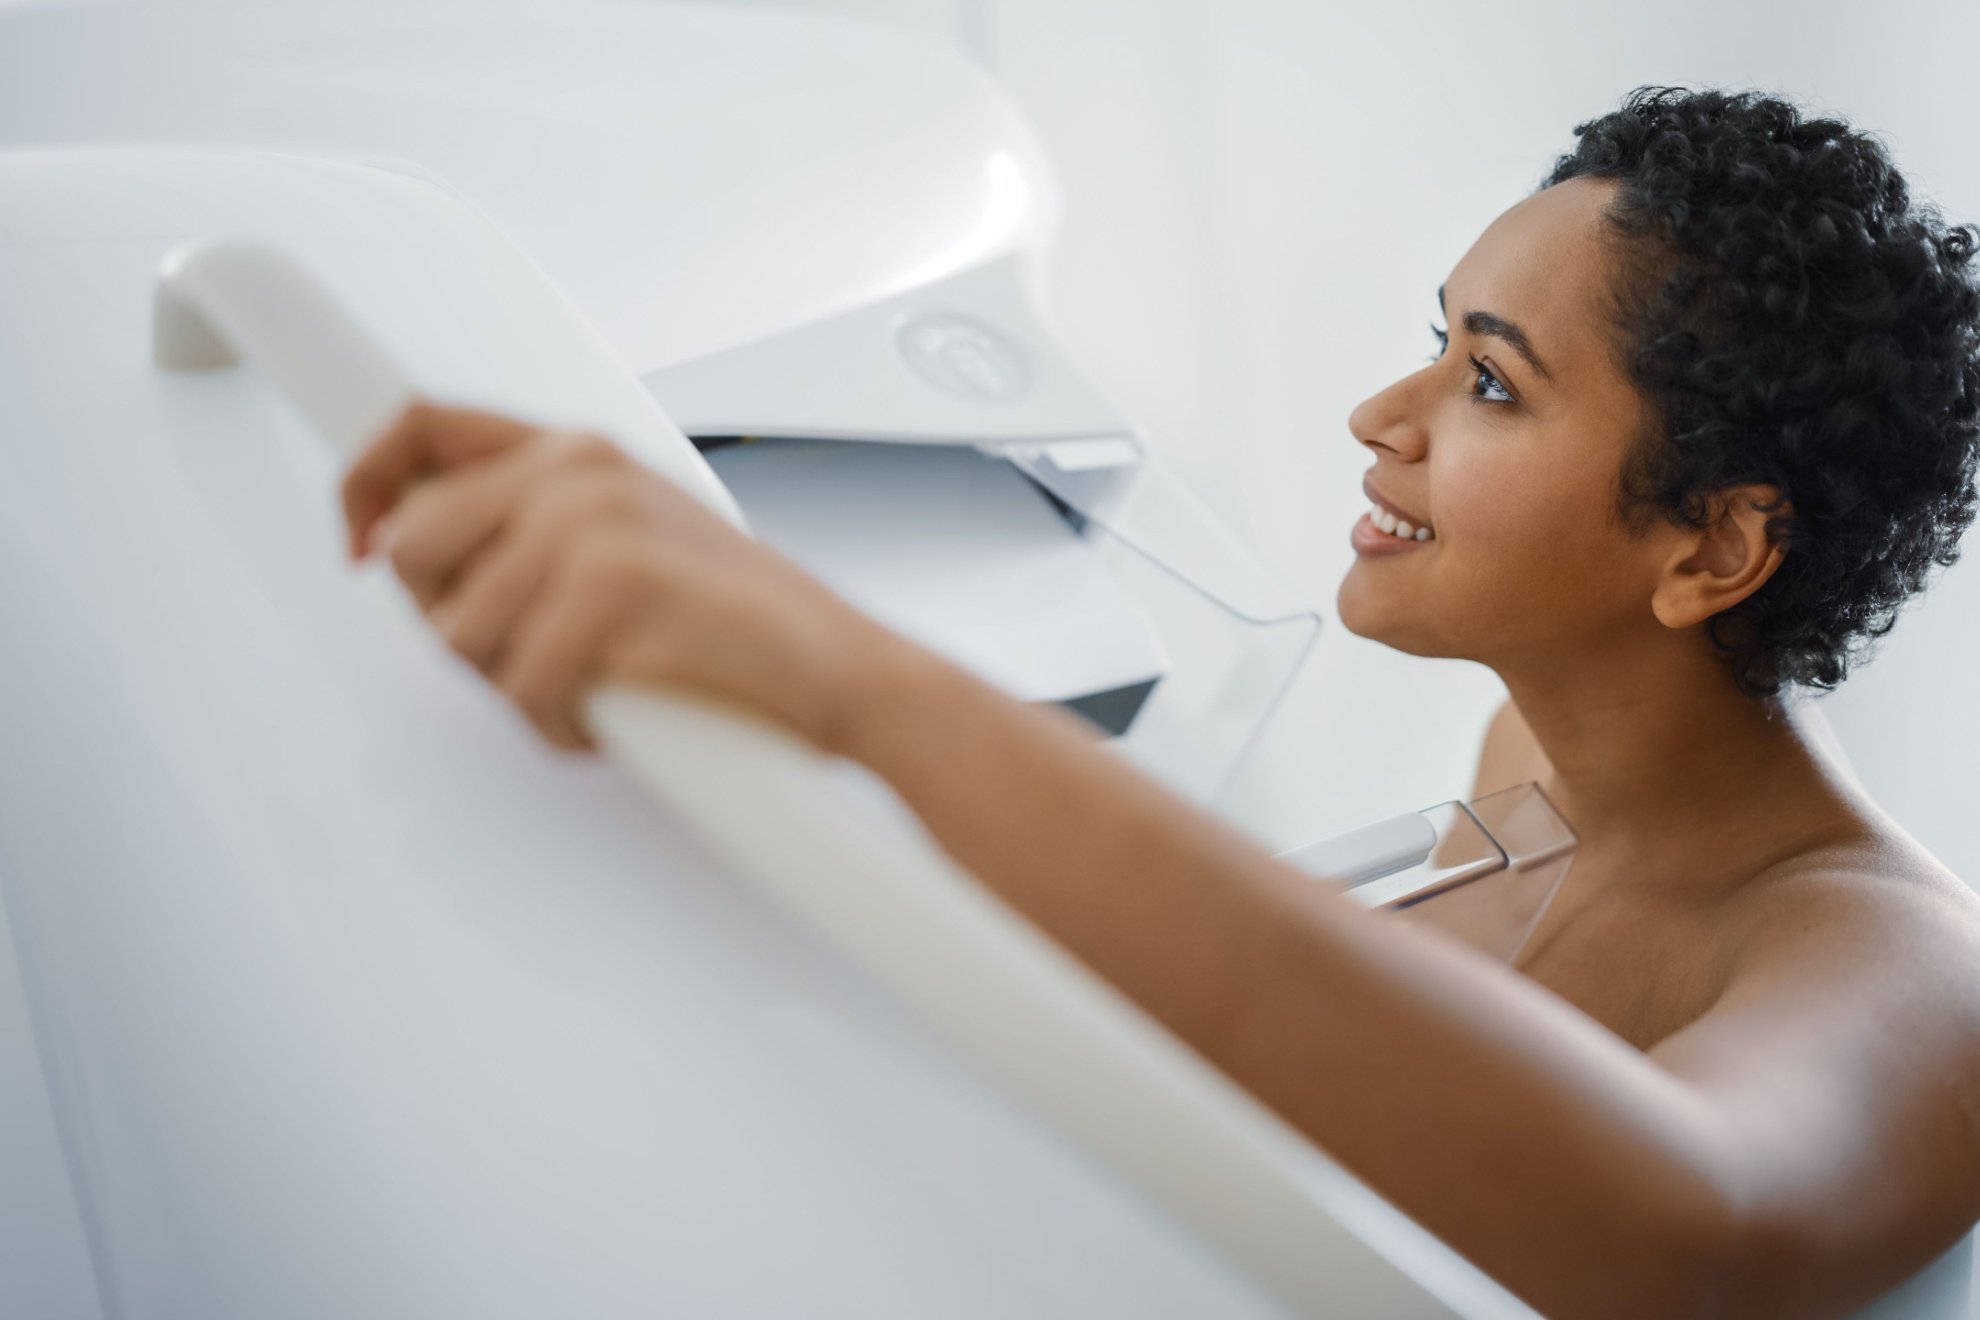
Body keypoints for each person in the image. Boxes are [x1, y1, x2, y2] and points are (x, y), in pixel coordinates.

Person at [339, 88, 1980, 1316]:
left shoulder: (1912, 975)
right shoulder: (1533, 767)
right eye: (1435, 343)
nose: (1381, 414)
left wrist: (855, 678)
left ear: (1714, 545)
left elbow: (1688, 1239)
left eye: (1490, 381)